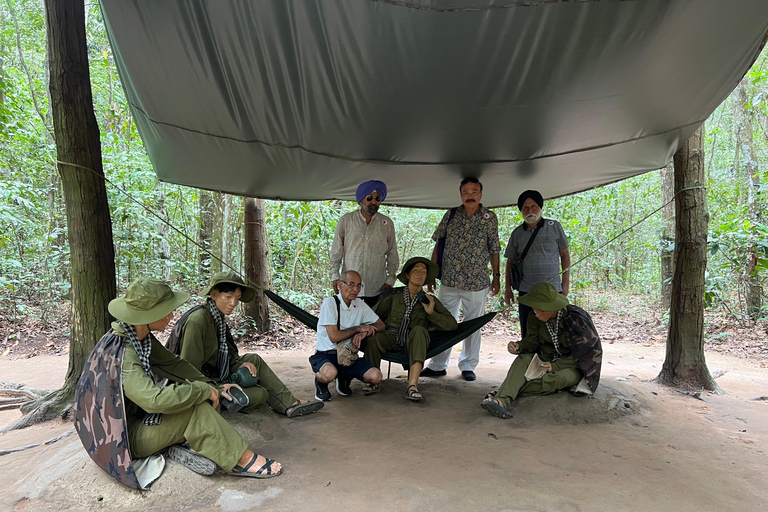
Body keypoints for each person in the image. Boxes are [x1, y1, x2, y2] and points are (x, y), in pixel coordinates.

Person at [74, 278, 282, 489]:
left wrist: (213, 387)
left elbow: (174, 365)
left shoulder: (137, 336)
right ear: (147, 315)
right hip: (123, 442)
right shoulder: (125, 354)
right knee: (195, 409)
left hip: (134, 422)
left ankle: (178, 442)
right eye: (166, 310)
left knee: (203, 398)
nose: (172, 315)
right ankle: (240, 460)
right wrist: (200, 390)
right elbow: (153, 401)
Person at [173, 271, 324, 418]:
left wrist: (241, 364)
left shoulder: (218, 319)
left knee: (253, 360)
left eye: (237, 298)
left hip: (217, 374)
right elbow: (189, 372)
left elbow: (226, 355)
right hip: (203, 384)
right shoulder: (198, 320)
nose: (233, 303)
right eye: (228, 297)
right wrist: (218, 388)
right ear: (213, 294)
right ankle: (217, 402)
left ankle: (289, 404)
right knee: (260, 394)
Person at [481, 282, 602, 420]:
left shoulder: (576, 319)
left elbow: (588, 354)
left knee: (559, 378)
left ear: (553, 307)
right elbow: (532, 342)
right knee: (523, 359)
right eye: (534, 309)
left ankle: (504, 392)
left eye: (541, 309)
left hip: (571, 365)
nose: (537, 313)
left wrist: (556, 366)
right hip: (545, 359)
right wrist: (518, 346)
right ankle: (502, 401)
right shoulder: (534, 318)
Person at [421, 177, 501, 381]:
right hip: (449, 280)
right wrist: (432, 273)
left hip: (476, 282)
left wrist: (497, 276)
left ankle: (468, 365)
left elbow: (494, 249)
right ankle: (438, 365)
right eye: (466, 192)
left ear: (481, 194)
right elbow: (438, 245)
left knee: (473, 324)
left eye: (474, 191)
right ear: (461, 195)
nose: (470, 196)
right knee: (442, 322)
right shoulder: (451, 215)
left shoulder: (489, 218)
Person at [362, 257, 458, 401]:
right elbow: (371, 317)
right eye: (416, 270)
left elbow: (452, 325)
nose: (420, 274)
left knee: (419, 330)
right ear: (407, 275)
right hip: (391, 338)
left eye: (424, 272)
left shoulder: (429, 300)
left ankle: (412, 386)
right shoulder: (393, 297)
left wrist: (431, 313)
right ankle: (373, 381)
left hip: (414, 343)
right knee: (374, 338)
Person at [504, 190, 570, 338]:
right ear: (521, 211)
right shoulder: (516, 233)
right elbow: (510, 263)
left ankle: (553, 361)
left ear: (540, 207)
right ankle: (530, 359)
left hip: (552, 290)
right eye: (525, 208)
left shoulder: (554, 227)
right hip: (527, 291)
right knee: (528, 331)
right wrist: (507, 288)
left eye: (534, 206)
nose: (530, 211)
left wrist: (565, 284)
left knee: (556, 331)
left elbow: (565, 255)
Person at [311, 270, 385, 400]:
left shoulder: (360, 305)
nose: (355, 289)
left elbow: (381, 325)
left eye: (358, 285)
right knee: (329, 373)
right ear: (339, 284)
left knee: (376, 377)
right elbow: (334, 337)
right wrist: (358, 328)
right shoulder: (330, 303)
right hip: (326, 355)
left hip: (348, 357)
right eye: (351, 284)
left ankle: (344, 377)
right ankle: (320, 382)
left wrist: (364, 332)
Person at [330, 180, 399, 307]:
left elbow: (392, 252)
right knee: (349, 324)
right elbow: (336, 250)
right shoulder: (346, 220)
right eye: (369, 198)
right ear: (361, 200)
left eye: (378, 198)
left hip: (377, 287)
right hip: (350, 287)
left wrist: (391, 279)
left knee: (372, 325)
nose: (374, 202)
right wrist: (335, 275)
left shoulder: (387, 223)